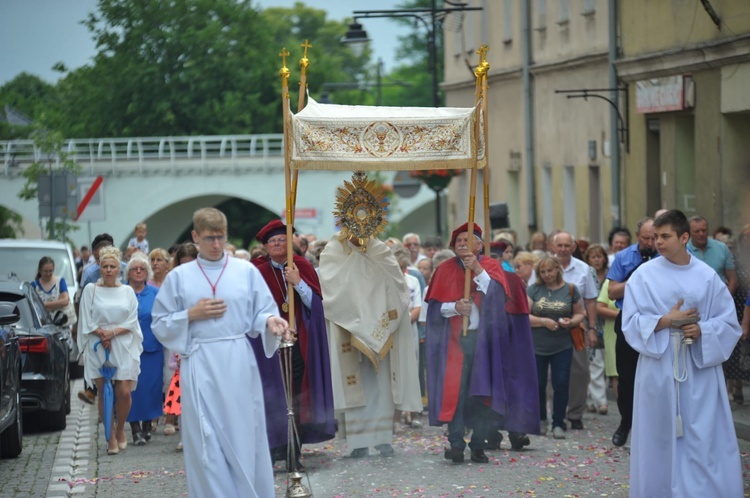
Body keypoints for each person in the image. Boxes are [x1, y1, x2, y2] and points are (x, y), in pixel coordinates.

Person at [151, 207, 293, 497]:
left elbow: (260, 312)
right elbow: (160, 323)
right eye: (209, 238)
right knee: (207, 443)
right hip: (200, 364)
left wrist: (271, 321)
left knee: (244, 434)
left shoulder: (246, 272)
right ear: (195, 236)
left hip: (238, 362)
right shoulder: (180, 277)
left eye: (221, 237)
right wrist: (190, 314)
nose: (216, 244)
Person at [622, 209, 742, 497]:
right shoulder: (643, 275)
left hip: (698, 366)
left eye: (665, 236)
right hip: (659, 365)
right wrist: (666, 321)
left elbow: (728, 322)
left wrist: (702, 331)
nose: (658, 243)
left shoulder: (706, 276)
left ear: (684, 237)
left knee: (701, 434)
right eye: (655, 237)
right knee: (659, 434)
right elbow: (629, 322)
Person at [426, 223, 539, 462]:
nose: (463, 245)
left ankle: (478, 443)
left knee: (480, 393)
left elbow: (498, 298)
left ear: (480, 245)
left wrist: (477, 269)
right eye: (459, 241)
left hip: (483, 343)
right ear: (452, 246)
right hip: (455, 343)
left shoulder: (490, 266)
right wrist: (455, 307)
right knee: (455, 394)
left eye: (469, 241)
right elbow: (434, 309)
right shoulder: (444, 270)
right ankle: (456, 443)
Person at [319, 232, 421, 458]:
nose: (359, 230)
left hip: (380, 326)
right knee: (356, 386)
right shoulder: (334, 249)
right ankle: (359, 442)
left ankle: (383, 438)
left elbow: (396, 283)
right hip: (348, 327)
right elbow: (329, 283)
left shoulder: (380, 250)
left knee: (381, 386)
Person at [250, 219, 335, 472]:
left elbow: (315, 307)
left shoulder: (301, 266)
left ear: (291, 243)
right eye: (272, 241)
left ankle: (292, 451)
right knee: (269, 397)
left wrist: (298, 283)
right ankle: (271, 449)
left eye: (282, 240)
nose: (278, 244)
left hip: (295, 345)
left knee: (293, 399)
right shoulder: (255, 271)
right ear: (265, 246)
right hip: (266, 347)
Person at [529, 232, 598, 430]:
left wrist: (591, 328)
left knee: (580, 372)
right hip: (542, 333)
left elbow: (590, 301)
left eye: (567, 245)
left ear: (574, 247)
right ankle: (550, 415)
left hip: (574, 329)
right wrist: (542, 321)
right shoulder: (539, 269)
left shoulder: (584, 269)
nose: (563, 249)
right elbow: (530, 300)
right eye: (560, 245)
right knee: (547, 378)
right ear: (553, 246)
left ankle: (574, 413)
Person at [77, 246, 143, 455]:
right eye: (104, 266)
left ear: (118, 269)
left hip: (122, 344)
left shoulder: (127, 291)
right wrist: (101, 334)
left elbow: (132, 320)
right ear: (99, 267)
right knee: (104, 392)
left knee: (123, 392)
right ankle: (110, 436)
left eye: (112, 266)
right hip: (98, 346)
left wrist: (112, 333)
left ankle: (120, 427)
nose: (108, 270)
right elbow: (86, 320)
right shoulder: (91, 290)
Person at [607, 217, 656, 447]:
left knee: (655, 377)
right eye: (646, 238)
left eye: (654, 238)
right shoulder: (624, 257)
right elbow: (612, 292)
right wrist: (637, 278)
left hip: (657, 322)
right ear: (638, 236)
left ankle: (651, 427)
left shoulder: (666, 258)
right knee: (626, 378)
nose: (650, 242)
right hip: (628, 320)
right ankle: (626, 422)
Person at [527, 256, 585, 439]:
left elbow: (580, 313)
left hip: (563, 345)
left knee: (561, 383)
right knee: (538, 384)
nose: (546, 275)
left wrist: (571, 321)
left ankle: (558, 422)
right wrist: (543, 321)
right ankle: (541, 419)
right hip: (538, 345)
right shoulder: (534, 290)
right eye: (542, 272)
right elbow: (524, 316)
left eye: (549, 271)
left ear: (558, 270)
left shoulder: (570, 289)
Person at [123, 253, 163, 446]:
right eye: (134, 269)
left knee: (150, 389)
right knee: (130, 390)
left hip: (152, 349)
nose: (138, 272)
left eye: (142, 269)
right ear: (128, 273)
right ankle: (135, 429)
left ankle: (147, 424)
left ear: (147, 273)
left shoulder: (156, 293)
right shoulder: (121, 292)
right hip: (127, 349)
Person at [583, 244, 609, 415]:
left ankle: (597, 398)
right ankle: (595, 400)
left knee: (603, 363)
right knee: (593, 362)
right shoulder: (587, 275)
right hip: (591, 322)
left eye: (600, 256)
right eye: (593, 257)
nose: (597, 260)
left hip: (607, 324)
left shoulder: (610, 276)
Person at [688, 215, 737, 294]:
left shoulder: (722, 248)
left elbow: (733, 279)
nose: (701, 234)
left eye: (704, 230)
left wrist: (725, 299)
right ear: (689, 233)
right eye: (697, 231)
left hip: (719, 298)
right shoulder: (683, 250)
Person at [31, 256, 76, 326]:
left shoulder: (60, 281)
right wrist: (57, 303)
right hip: (42, 326)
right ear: (40, 271)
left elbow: (65, 301)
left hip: (61, 325)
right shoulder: (34, 285)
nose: (48, 274)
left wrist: (44, 304)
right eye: (45, 271)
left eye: (50, 271)